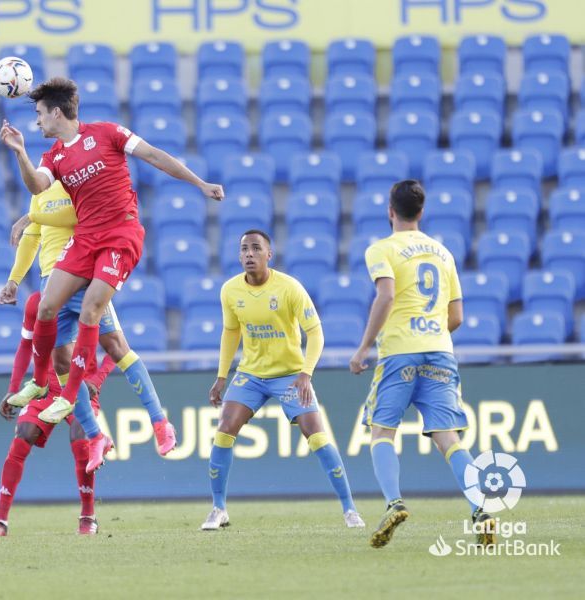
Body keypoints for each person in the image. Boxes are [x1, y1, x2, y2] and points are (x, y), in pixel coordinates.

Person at [0, 77, 224, 449]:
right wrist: (20, 152)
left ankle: (70, 396)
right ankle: (41, 382)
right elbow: (37, 187)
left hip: (120, 234)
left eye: (39, 114)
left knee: (92, 310)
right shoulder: (53, 155)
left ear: (57, 113)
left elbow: (153, 155)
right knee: (46, 307)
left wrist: (199, 184)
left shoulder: (107, 133)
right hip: (85, 238)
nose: (36, 122)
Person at [349, 180, 496, 548]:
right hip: (440, 351)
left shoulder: (381, 249)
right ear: (421, 212)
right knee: (449, 439)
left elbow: (386, 294)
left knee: (382, 431)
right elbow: (457, 315)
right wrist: (431, 335)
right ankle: (480, 509)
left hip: (400, 351)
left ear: (390, 211)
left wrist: (364, 347)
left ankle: (394, 502)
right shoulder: (442, 253)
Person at [0, 180, 178, 472]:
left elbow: (73, 218)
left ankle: (160, 421)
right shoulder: (40, 190)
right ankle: (95, 436)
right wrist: (14, 280)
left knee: (116, 346)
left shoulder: (78, 182)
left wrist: (32, 216)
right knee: (61, 361)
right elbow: (32, 237)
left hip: (82, 276)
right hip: (51, 282)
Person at [202, 230, 365, 531]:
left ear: (269, 254)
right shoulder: (229, 290)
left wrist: (306, 373)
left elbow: (315, 332)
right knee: (224, 430)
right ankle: (218, 508)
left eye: (255, 248)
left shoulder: (290, 288)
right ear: (239, 256)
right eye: (244, 249)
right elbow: (231, 333)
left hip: (290, 375)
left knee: (316, 435)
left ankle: (350, 510)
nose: (249, 254)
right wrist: (221, 376)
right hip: (250, 374)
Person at [0, 291, 116, 537]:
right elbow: (25, 346)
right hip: (46, 387)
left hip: (80, 387)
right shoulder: (37, 302)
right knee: (23, 435)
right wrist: (13, 390)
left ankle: (88, 517)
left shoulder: (93, 298)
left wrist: (96, 380)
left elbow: (115, 349)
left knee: (80, 440)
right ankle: (0, 521)